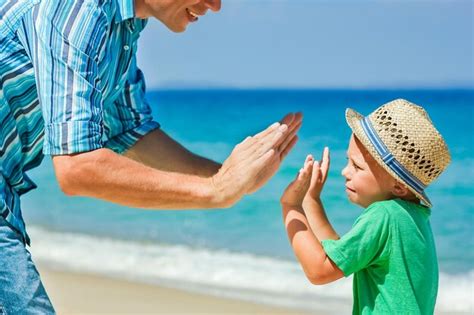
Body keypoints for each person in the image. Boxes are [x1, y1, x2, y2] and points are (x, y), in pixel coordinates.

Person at [0, 0, 301, 313]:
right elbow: (77, 167)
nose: (215, 5)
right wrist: (216, 191)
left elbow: (128, 131)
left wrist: (230, 177)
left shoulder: (122, 25)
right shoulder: (77, 9)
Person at [280, 99, 451, 314]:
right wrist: (312, 200)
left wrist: (290, 205)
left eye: (357, 166)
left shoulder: (384, 215)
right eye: (348, 161)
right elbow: (340, 255)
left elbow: (319, 270)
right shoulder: (413, 217)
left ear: (398, 186)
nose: (344, 172)